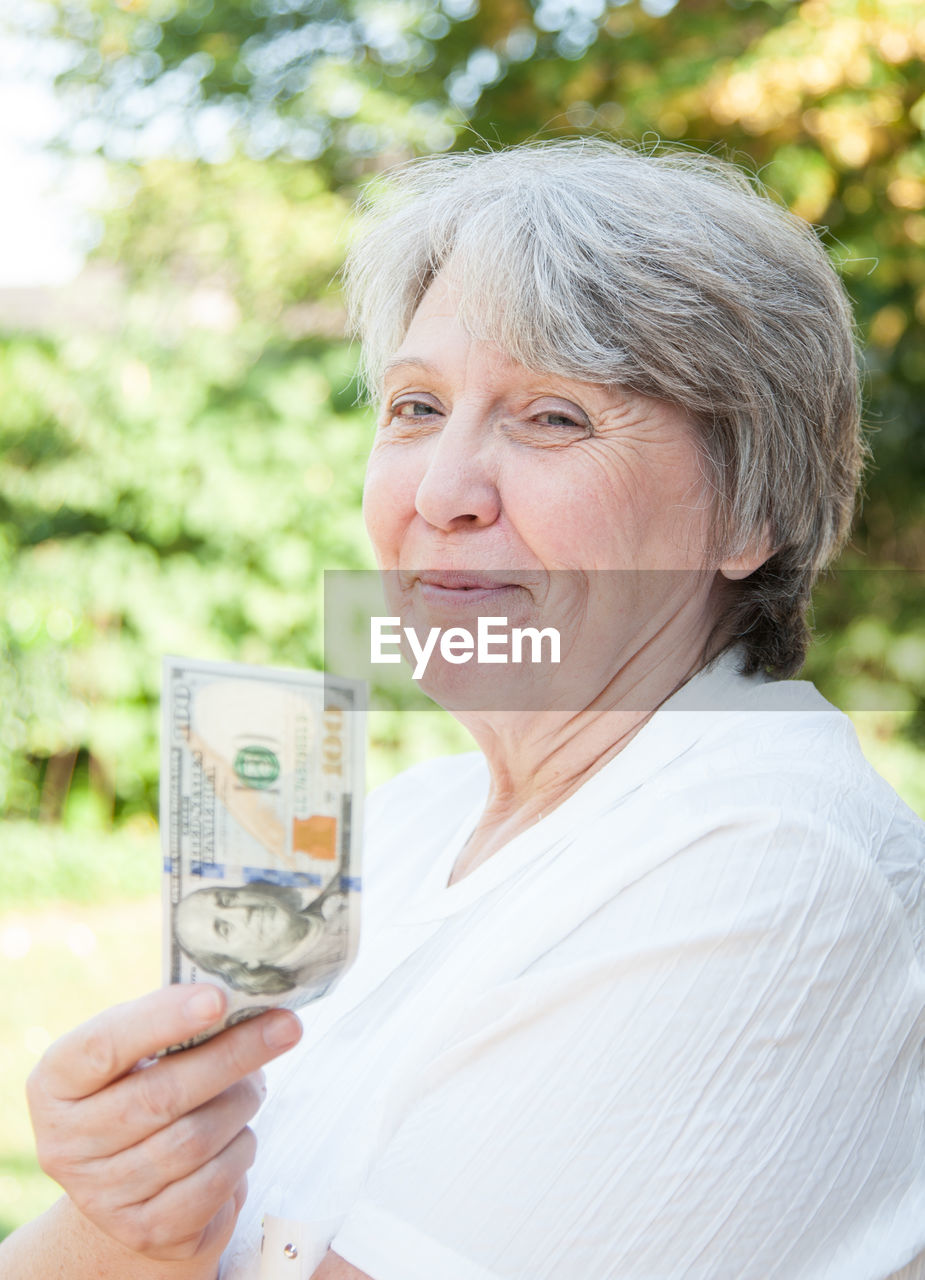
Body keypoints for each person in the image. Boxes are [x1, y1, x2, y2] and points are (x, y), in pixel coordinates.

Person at [2, 138, 924, 1280]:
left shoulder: (770, 865)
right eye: (416, 404)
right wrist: (120, 1207)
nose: (442, 492)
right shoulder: (412, 818)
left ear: (750, 512)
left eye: (552, 418)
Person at [173, 879, 350, 996]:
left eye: (227, 900)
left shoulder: (341, 880)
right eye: (225, 929)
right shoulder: (322, 982)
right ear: (243, 963)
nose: (243, 911)